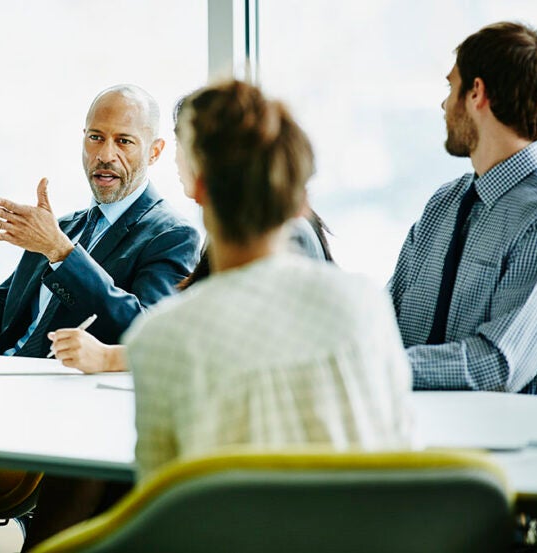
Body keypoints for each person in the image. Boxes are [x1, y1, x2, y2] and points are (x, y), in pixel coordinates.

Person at [126, 79, 414, 478]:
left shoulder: (161, 339)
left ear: (199, 188)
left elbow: (159, 504)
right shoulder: (366, 304)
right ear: (299, 196)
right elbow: (402, 454)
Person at [0, 84, 200, 358]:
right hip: (0, 379)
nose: (105, 155)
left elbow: (147, 337)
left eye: (124, 141)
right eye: (96, 137)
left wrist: (61, 253)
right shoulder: (61, 228)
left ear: (155, 152)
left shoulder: (171, 235)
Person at [49, 96, 335, 373]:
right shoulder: (235, 232)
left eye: (181, 144)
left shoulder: (283, 234)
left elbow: (234, 348)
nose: (175, 159)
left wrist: (108, 358)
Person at [388, 22, 537, 394]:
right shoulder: (443, 205)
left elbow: (497, 365)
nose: (444, 105)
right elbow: (385, 322)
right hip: (413, 432)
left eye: (450, 87)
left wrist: (374, 369)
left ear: (477, 93)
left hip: (507, 445)